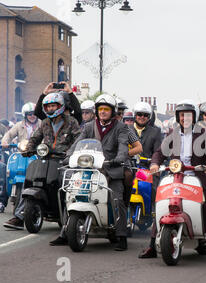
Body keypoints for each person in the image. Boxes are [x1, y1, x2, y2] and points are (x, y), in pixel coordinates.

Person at [138, 100, 206, 265]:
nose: (185, 118)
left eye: (188, 114)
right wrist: (155, 163)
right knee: (163, 203)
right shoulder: (172, 133)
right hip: (177, 177)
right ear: (178, 117)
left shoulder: (204, 134)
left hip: (199, 177)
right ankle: (151, 245)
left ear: (194, 116)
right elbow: (159, 152)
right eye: (182, 115)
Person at [49, 93, 130, 251]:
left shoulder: (121, 127)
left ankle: (121, 236)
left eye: (106, 109)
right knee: (70, 192)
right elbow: (78, 143)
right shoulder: (88, 126)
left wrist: (119, 158)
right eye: (100, 109)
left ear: (112, 111)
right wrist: (68, 156)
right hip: (90, 167)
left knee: (117, 198)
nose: (102, 112)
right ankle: (65, 232)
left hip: (111, 168)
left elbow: (123, 146)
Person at [3, 92, 81, 230]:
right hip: (47, 158)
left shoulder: (71, 122)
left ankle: (70, 215)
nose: (50, 109)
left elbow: (78, 139)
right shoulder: (45, 123)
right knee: (30, 180)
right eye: (48, 106)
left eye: (53, 106)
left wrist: (70, 153)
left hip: (65, 161)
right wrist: (28, 149)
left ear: (60, 106)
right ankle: (20, 216)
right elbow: (35, 138)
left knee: (67, 184)